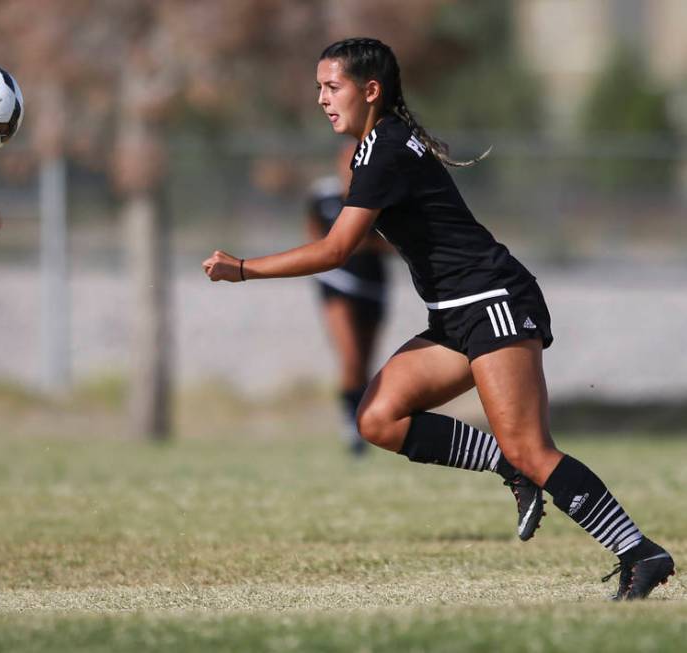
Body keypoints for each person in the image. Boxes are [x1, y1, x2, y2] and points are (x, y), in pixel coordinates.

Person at [203, 37, 674, 600]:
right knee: (378, 417)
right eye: (319, 89)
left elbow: (336, 250)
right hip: (457, 313)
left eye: (333, 87)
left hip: (492, 301)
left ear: (370, 90)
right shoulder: (378, 145)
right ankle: (510, 465)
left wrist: (244, 269)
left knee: (534, 448)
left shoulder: (383, 149)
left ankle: (641, 553)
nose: (323, 100)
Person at [306, 139, 388, 456]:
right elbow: (313, 233)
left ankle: (359, 418)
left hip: (373, 283)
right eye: (346, 160)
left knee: (364, 363)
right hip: (336, 280)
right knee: (350, 356)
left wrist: (363, 243)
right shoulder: (323, 195)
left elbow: (397, 243)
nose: (350, 167)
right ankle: (350, 424)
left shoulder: (380, 194)